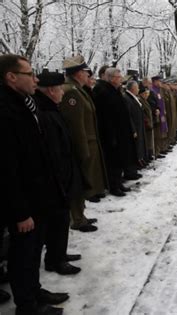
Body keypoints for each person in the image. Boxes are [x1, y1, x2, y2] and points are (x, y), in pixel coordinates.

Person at [0, 54, 68, 315]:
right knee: (23, 254)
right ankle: (27, 306)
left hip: (38, 197)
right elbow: (7, 168)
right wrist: (20, 212)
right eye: (30, 74)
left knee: (32, 252)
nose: (36, 79)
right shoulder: (6, 111)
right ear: (11, 76)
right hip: (24, 203)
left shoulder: (25, 103)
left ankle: (34, 291)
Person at [34, 70, 82, 275]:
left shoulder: (51, 109)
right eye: (60, 88)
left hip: (62, 176)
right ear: (51, 90)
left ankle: (59, 254)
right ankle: (55, 259)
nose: (63, 92)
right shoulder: (45, 114)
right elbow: (53, 151)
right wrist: (62, 178)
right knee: (57, 220)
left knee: (61, 220)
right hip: (56, 179)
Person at [59, 55, 105, 232]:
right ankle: (77, 218)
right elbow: (76, 125)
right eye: (86, 72)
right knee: (79, 183)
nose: (89, 76)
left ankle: (81, 215)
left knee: (85, 181)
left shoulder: (78, 89)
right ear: (78, 73)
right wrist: (82, 150)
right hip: (82, 145)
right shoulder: (71, 91)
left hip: (88, 143)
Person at [93, 68, 137, 196]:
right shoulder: (103, 91)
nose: (121, 78)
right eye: (118, 77)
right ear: (111, 78)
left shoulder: (114, 90)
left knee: (119, 159)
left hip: (120, 131)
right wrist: (111, 135)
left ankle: (118, 183)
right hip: (111, 133)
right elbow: (105, 116)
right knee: (113, 161)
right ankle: (113, 185)